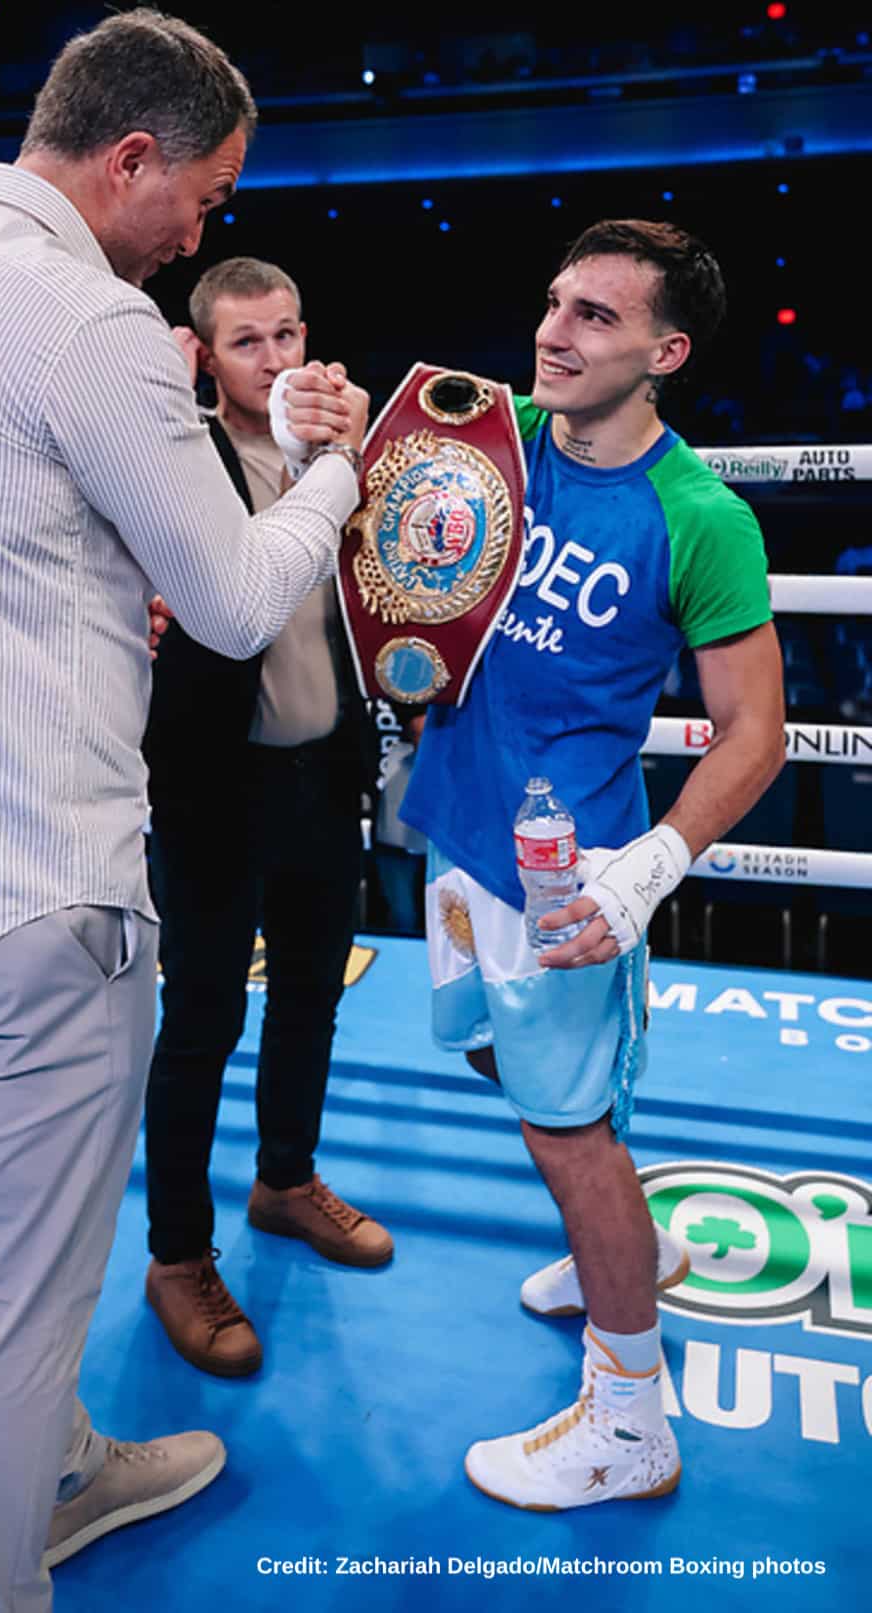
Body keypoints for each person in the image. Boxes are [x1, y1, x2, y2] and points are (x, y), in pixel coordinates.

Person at [0, 12, 368, 1612]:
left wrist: (122, 585)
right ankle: (2, 1580)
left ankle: (62, 1465)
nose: (205, 233)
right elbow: (244, 601)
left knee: (8, 1237)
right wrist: (329, 464)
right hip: (34, 884)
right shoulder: (92, 324)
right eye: (206, 194)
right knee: (15, 1300)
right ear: (131, 161)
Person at [399, 219, 785, 1511]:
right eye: (555, 302)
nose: (555, 333)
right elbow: (366, 436)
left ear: (665, 352)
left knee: (567, 1134)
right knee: (511, 1072)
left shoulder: (698, 518)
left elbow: (758, 733)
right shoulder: (496, 432)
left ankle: (631, 1415)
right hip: (454, 820)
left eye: (597, 318)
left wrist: (653, 865)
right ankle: (613, 1232)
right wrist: (307, 415)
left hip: (568, 870)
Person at [141, 257, 392, 1378]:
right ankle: (176, 1253)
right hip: (210, 781)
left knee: (309, 997)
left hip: (322, 769)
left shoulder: (358, 455)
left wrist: (359, 454)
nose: (279, 359)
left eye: (291, 333)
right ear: (205, 354)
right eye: (250, 341)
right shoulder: (170, 460)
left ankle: (286, 1177)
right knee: (199, 1018)